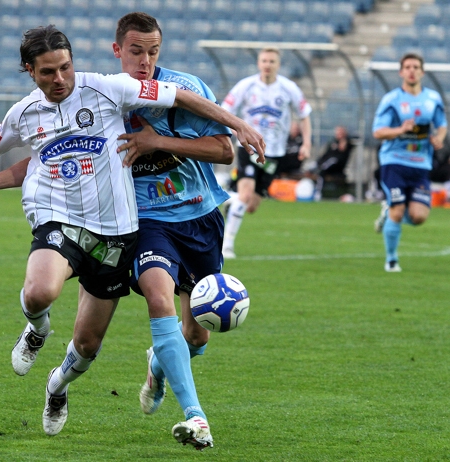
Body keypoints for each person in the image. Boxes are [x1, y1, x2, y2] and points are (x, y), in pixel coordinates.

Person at [0, 25, 265, 439]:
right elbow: (5, 157)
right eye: (49, 71)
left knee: (112, 343)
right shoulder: (26, 112)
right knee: (54, 293)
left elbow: (196, 115)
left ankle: (64, 384)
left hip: (126, 234)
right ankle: (194, 416)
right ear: (30, 71)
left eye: (66, 68)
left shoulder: (110, 90)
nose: (60, 79)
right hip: (89, 222)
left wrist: (232, 125)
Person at [112, 12, 233, 450]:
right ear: (117, 50)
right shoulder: (108, 99)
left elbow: (224, 151)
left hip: (199, 219)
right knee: (159, 301)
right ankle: (197, 418)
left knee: (197, 334)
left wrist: (157, 141)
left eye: (153, 52)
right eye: (136, 51)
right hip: (148, 225)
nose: (144, 61)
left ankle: (157, 366)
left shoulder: (187, 89)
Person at [220, 48, 312, 259]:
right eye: (264, 60)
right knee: (245, 194)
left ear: (278, 65)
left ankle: (230, 199)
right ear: (258, 63)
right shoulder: (246, 85)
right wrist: (237, 132)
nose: (267, 64)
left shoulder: (289, 88)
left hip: (274, 153)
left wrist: (306, 143)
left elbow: (304, 115)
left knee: (251, 205)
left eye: (272, 61)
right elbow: (225, 111)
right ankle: (227, 245)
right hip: (249, 148)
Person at [372, 53, 447, 272]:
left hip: (421, 164)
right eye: (407, 67)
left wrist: (439, 139)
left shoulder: (432, 99)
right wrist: (400, 130)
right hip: (394, 162)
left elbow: (442, 125)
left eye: (416, 67)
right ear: (401, 72)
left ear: (422, 72)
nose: (412, 70)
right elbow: (378, 132)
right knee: (398, 210)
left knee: (419, 217)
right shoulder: (392, 99)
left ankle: (388, 212)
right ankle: (392, 260)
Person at [311, 125, 353, 201]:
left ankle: (318, 193)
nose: (338, 134)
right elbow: (325, 155)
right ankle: (316, 191)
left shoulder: (347, 143)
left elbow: (358, 138)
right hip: (327, 168)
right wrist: (318, 163)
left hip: (337, 168)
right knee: (319, 170)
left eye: (340, 133)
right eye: (337, 133)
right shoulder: (332, 143)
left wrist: (346, 140)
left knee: (330, 163)